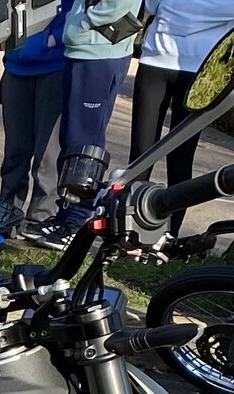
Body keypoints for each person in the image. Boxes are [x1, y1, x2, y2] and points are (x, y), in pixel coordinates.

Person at [130, 0, 234, 235]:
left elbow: (233, 10)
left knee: (180, 158)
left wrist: (175, 10)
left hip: (197, 69)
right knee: (141, 154)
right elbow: (151, 6)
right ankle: (130, 230)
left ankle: (169, 235)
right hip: (156, 61)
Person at [30, 0, 143, 249]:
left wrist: (79, 25)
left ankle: (76, 221)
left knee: (85, 142)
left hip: (101, 54)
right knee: (71, 140)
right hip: (83, 52)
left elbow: (116, 5)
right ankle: (64, 216)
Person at [0, 0, 74, 229]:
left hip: (55, 67)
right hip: (16, 65)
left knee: (47, 158)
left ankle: (40, 221)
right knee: (14, 153)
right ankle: (5, 217)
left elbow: (79, 12)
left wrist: (54, 39)